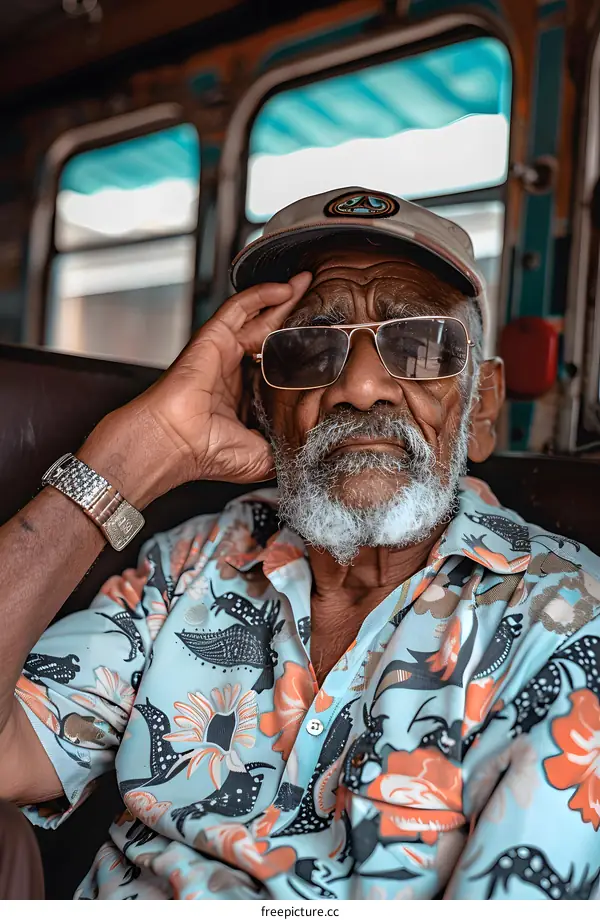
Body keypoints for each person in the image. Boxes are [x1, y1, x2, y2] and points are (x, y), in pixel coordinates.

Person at [0, 188, 599, 901]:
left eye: (419, 345)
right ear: (262, 405)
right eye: (311, 349)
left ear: (481, 406)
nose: (363, 385)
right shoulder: (195, 559)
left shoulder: (568, 625)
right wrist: (130, 460)